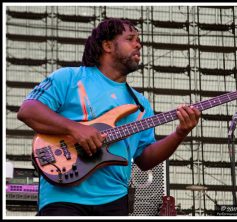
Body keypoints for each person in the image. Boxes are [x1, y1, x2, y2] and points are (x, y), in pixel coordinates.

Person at [17, 18, 201, 216]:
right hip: (62, 198)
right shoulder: (69, 77)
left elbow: (145, 160)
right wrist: (76, 129)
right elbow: (28, 111)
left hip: (115, 200)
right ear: (107, 45)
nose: (138, 44)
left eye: (139, 39)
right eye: (130, 38)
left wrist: (180, 133)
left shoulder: (140, 104)